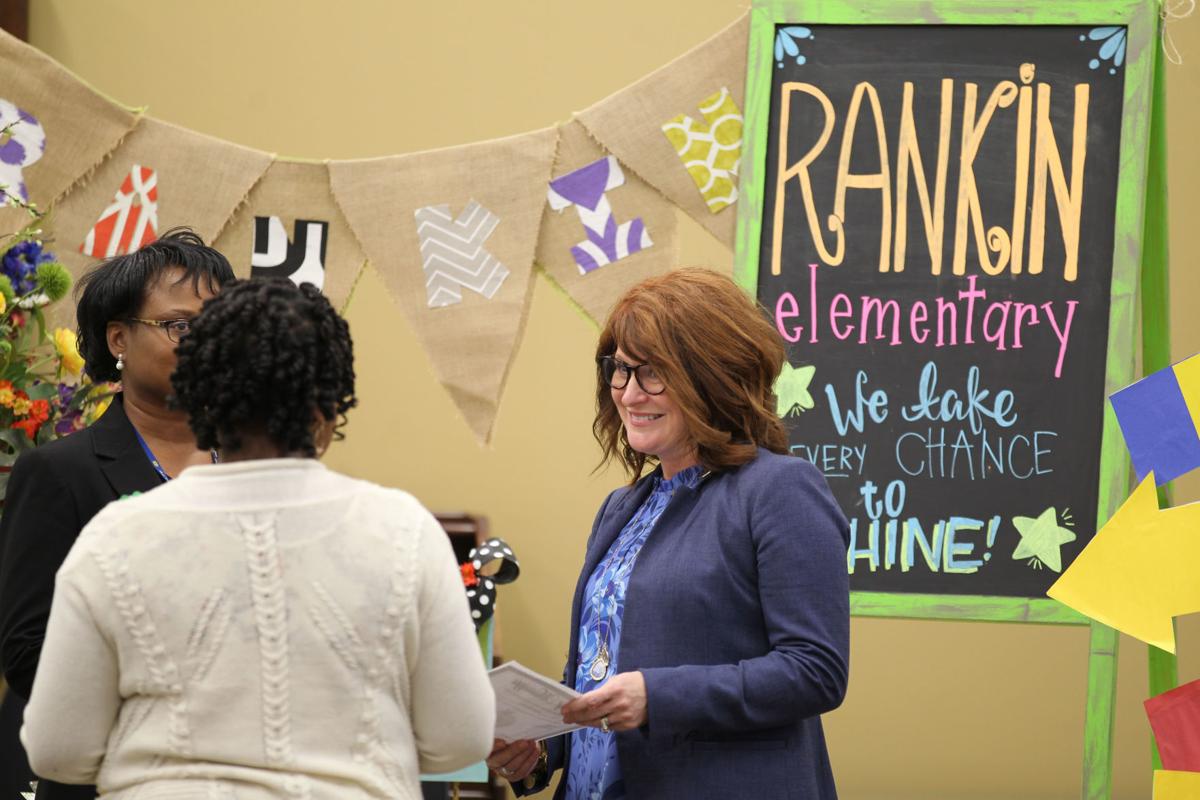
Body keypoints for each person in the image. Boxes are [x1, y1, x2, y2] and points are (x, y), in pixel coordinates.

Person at [20, 278, 495, 798]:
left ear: (198, 399)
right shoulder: (405, 531)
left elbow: (58, 751)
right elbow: (461, 739)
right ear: (330, 408)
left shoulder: (115, 538)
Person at [489, 268, 850, 799]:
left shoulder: (780, 489)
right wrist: (539, 751)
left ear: (714, 376)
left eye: (653, 373)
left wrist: (658, 696)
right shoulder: (621, 507)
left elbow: (815, 670)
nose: (629, 394)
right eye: (621, 371)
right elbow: (593, 672)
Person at [0, 228, 235, 800]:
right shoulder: (59, 473)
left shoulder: (253, 471)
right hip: (98, 770)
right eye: (180, 325)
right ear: (119, 338)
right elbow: (27, 650)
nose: (203, 343)